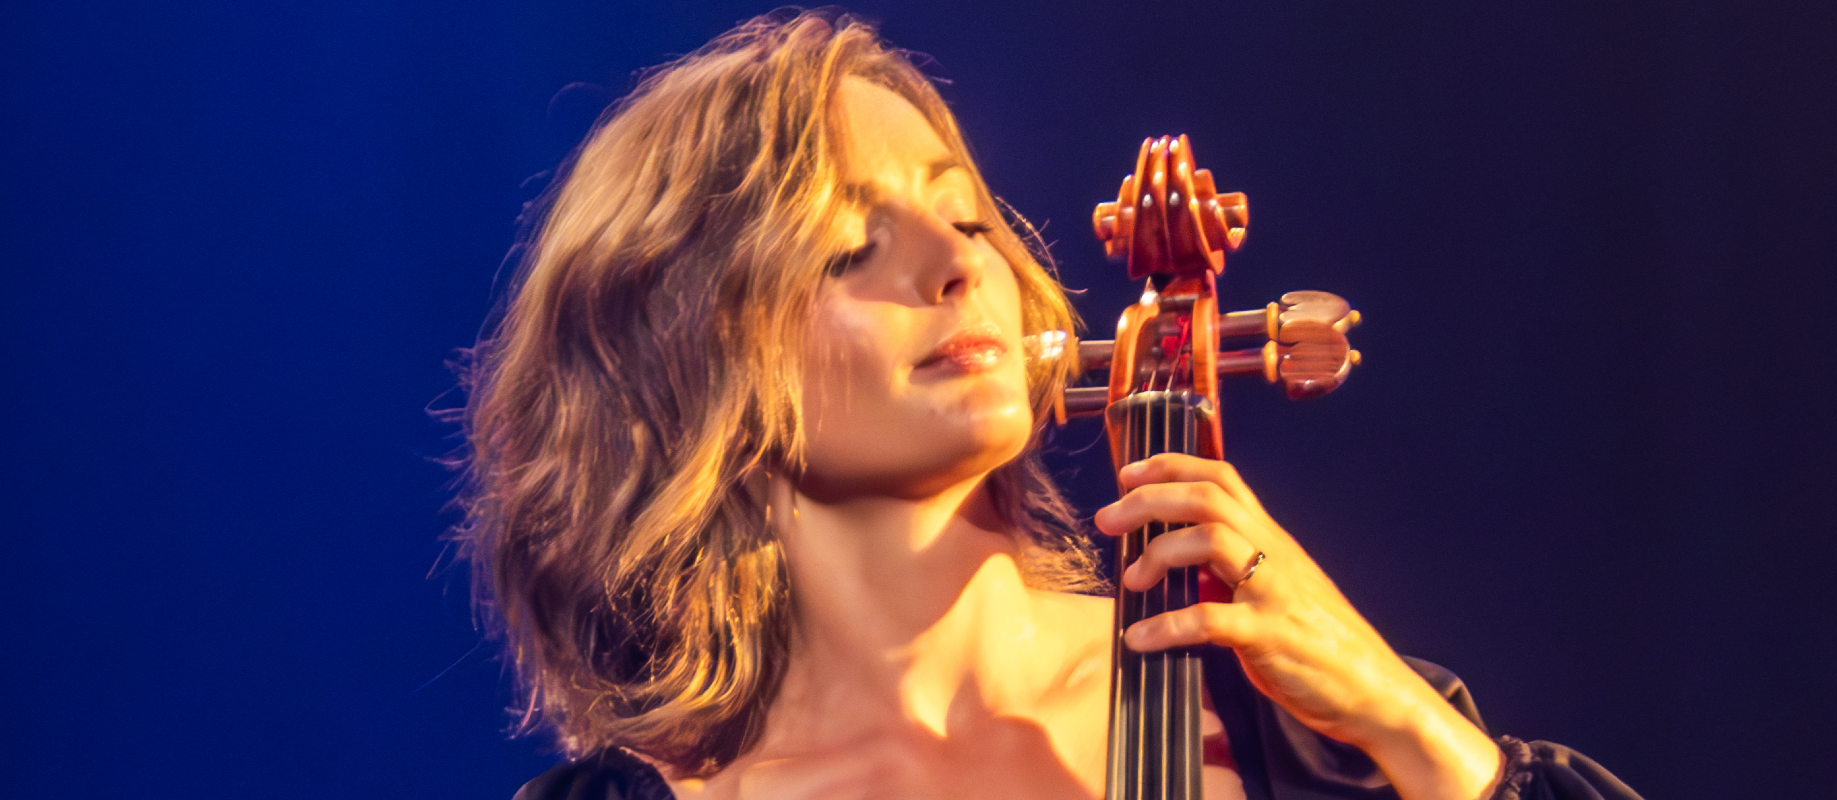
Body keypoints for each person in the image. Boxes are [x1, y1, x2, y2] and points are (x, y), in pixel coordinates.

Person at [455, 10, 1640, 800]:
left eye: (964, 216)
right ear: (687, 355)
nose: (959, 265)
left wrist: (1415, 729)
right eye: (851, 244)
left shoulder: (1273, 709)